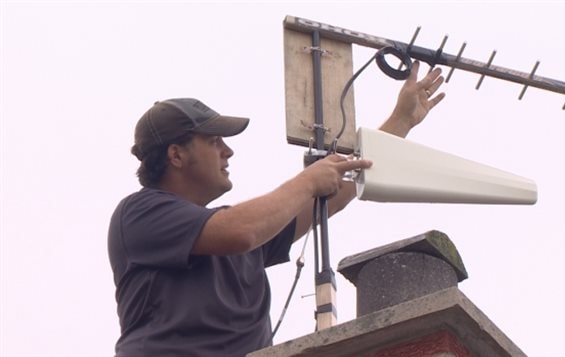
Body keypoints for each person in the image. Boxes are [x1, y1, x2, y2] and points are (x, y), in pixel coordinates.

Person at [108, 61, 445, 357]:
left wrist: (400, 122)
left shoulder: (241, 230)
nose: (227, 152)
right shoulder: (140, 213)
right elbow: (240, 231)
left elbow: (333, 195)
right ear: (176, 155)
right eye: (213, 142)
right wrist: (308, 180)